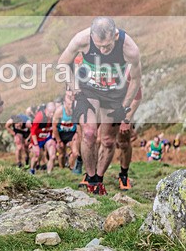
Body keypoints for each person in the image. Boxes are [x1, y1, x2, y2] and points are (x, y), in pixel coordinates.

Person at [57, 17, 142, 195]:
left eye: (107, 46)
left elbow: (135, 81)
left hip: (113, 94)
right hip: (88, 90)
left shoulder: (130, 48)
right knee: (88, 133)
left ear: (115, 36)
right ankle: (91, 180)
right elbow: (63, 63)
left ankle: (100, 179)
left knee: (108, 141)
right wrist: (74, 89)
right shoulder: (82, 39)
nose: (103, 50)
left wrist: (125, 107)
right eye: (99, 46)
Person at [52, 90, 80, 173]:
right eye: (69, 102)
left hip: (72, 134)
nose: (70, 104)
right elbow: (54, 126)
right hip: (61, 134)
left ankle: (71, 169)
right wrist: (58, 140)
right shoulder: (59, 111)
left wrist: (77, 134)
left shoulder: (76, 110)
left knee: (75, 153)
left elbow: (80, 124)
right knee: (61, 154)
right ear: (65, 101)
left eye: (72, 101)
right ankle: (62, 170)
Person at [30, 102, 57, 174]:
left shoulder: (55, 116)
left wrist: (54, 138)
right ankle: (32, 170)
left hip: (47, 137)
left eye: (53, 112)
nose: (52, 114)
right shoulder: (40, 116)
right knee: (36, 157)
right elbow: (33, 131)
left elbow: (55, 127)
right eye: (50, 112)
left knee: (53, 156)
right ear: (46, 110)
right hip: (37, 139)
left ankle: (49, 173)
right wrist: (35, 145)